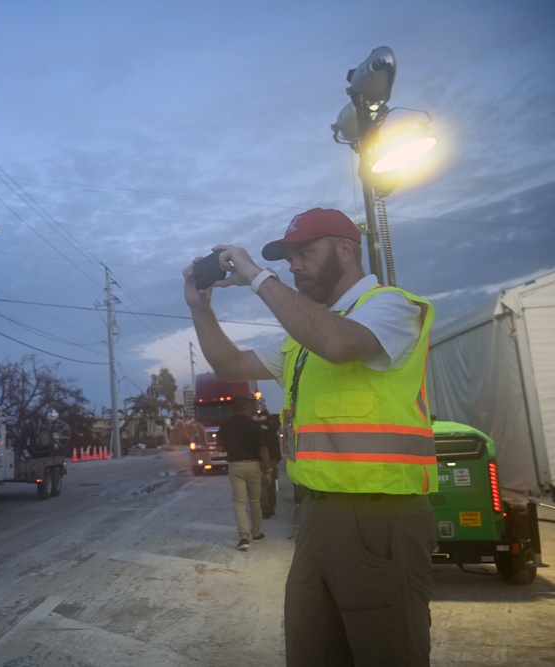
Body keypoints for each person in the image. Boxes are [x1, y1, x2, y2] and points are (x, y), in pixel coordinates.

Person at [183, 207, 437, 667]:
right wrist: (200, 310)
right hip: (315, 514)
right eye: (290, 257)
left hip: (379, 516)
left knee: (387, 652)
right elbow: (231, 367)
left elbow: (341, 344)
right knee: (312, 650)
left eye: (306, 252)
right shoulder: (304, 338)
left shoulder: (391, 306)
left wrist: (258, 278)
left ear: (346, 249)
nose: (296, 265)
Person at [221, 394, 272, 550]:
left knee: (239, 502)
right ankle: (256, 533)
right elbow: (262, 449)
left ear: (233, 408)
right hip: (253, 466)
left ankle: (244, 538)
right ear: (246, 407)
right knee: (255, 501)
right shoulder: (254, 425)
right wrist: (268, 469)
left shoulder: (226, 425)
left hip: (235, 466)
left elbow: (220, 448)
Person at [254, 409, 282, 518]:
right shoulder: (272, 426)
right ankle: (271, 507)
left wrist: (258, 421)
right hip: (272, 459)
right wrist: (267, 419)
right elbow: (278, 417)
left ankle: (264, 507)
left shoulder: (255, 427)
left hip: (259, 458)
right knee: (271, 484)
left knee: (262, 484)